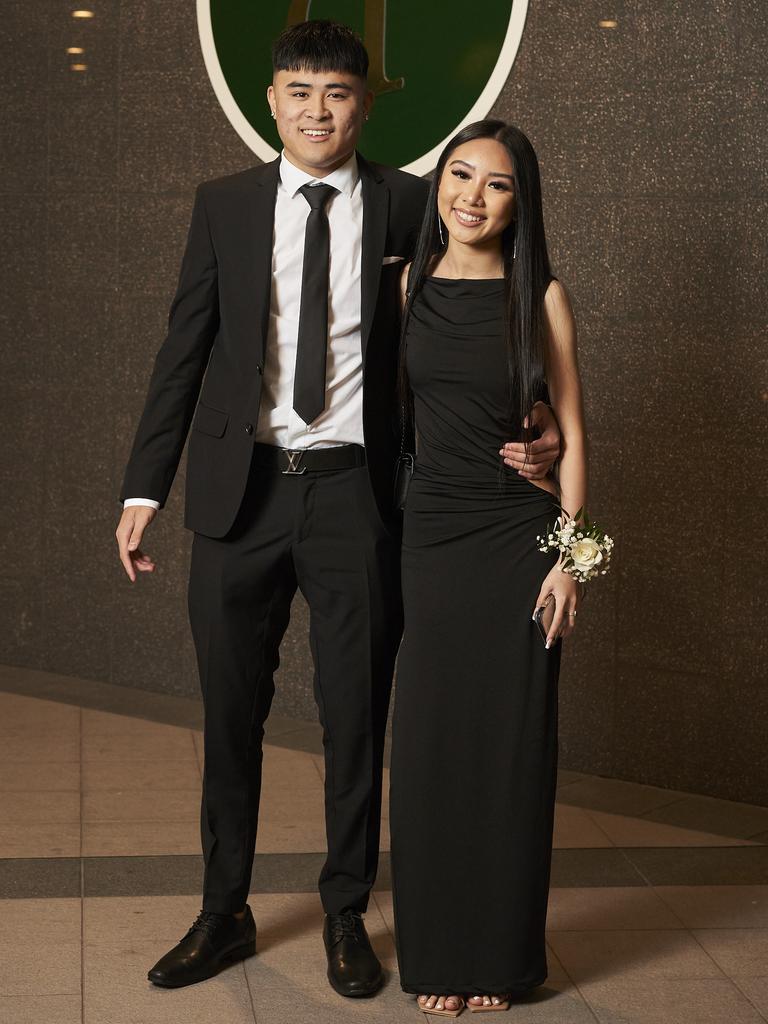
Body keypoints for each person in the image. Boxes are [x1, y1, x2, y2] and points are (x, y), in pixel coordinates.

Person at [114, 21, 562, 997]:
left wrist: (542, 434)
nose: (319, 110)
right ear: (273, 101)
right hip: (239, 498)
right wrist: (144, 485)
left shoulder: (416, 206)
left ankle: (346, 912)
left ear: (366, 105)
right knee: (231, 713)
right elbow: (182, 348)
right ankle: (222, 909)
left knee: (356, 716)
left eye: (338, 94)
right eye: (300, 92)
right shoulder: (223, 205)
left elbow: (482, 329)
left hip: (359, 500)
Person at [389, 120, 587, 1016]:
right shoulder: (405, 287)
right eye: (458, 175)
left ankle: (499, 963)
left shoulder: (538, 295)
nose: (471, 196)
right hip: (432, 542)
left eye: (496, 184)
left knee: (509, 755)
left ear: (521, 202)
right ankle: (439, 956)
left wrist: (570, 563)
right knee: (432, 750)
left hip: (519, 545)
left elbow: (574, 437)